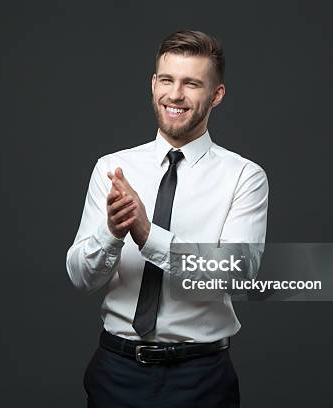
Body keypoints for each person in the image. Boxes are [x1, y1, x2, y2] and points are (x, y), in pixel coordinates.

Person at [66, 30, 268, 407]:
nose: (175, 95)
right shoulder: (112, 168)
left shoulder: (244, 176)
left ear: (216, 95)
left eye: (191, 84)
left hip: (201, 378)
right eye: (167, 80)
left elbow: (239, 276)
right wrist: (111, 234)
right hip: (116, 372)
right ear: (153, 84)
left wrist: (146, 234)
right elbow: (81, 278)